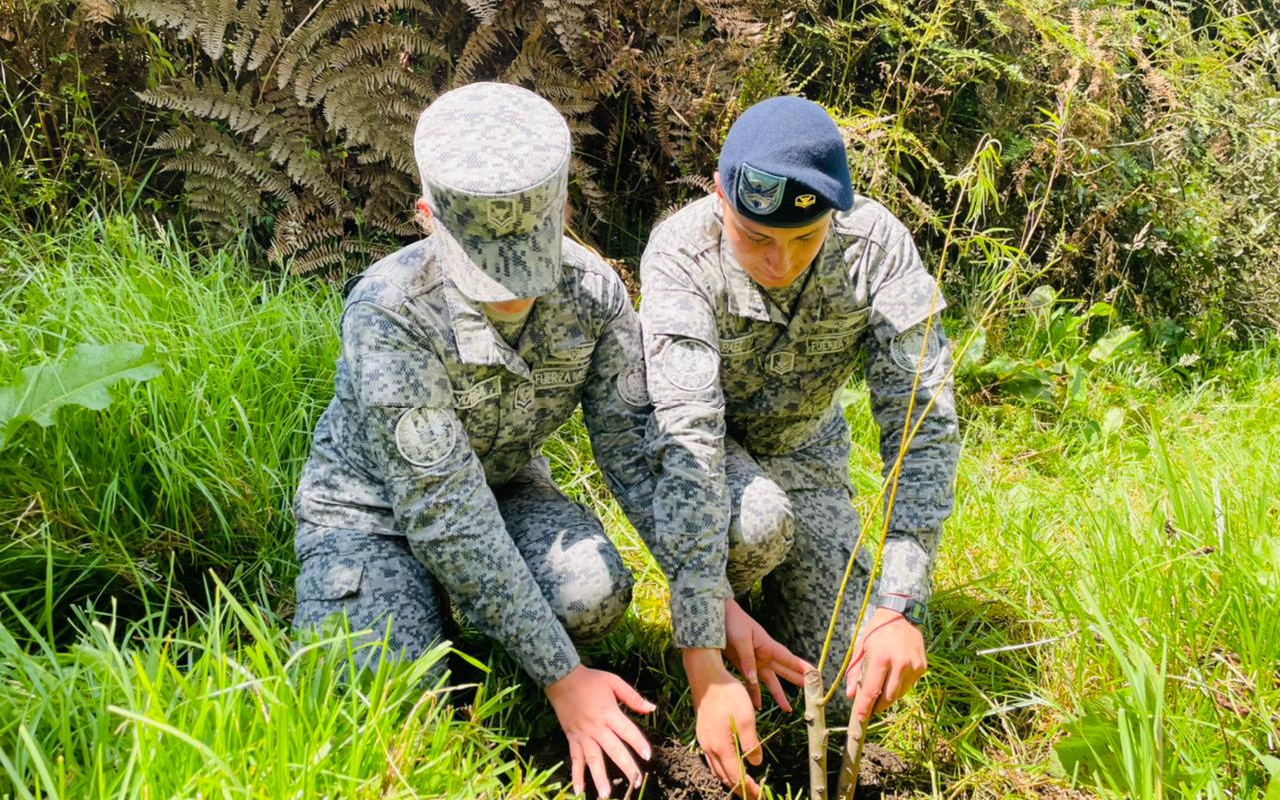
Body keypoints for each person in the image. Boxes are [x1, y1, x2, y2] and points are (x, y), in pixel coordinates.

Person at [291, 82, 657, 800]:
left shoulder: (595, 294)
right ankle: (425, 616)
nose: (512, 292)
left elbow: (635, 451)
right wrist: (565, 678)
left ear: (563, 212)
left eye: (530, 256)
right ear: (428, 219)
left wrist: (710, 612)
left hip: (504, 489)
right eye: (487, 268)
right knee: (373, 707)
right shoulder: (391, 311)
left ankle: (478, 622)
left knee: (593, 593)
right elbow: (443, 514)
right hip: (373, 518)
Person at [638, 95, 960, 796]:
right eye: (756, 238)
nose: (780, 261)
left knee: (851, 687)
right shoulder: (680, 254)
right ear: (721, 196)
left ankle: (775, 610)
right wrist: (702, 652)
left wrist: (899, 602)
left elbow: (922, 423)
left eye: (805, 239)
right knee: (755, 526)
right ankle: (735, 604)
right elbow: (687, 442)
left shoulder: (876, 249)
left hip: (808, 459)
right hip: (715, 461)